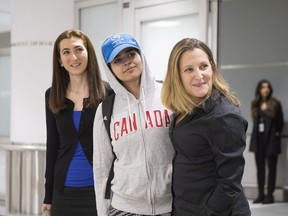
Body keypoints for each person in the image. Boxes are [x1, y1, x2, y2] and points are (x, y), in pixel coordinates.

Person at [161, 38, 251, 215]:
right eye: (189, 69)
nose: (199, 75)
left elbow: (229, 185)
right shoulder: (184, 109)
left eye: (203, 66)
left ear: (212, 68)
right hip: (187, 206)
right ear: (177, 75)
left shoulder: (224, 117)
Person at [93, 33, 175, 216]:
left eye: (131, 54)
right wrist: (101, 211)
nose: (127, 62)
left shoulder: (169, 95)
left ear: (141, 55)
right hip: (125, 208)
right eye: (118, 60)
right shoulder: (105, 110)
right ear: (110, 69)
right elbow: (101, 168)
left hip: (171, 205)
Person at [41, 29, 110, 216]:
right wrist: (48, 195)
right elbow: (53, 146)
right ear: (59, 60)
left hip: (99, 190)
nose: (74, 57)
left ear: (88, 53)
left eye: (79, 49)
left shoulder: (107, 93)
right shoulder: (52, 95)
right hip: (63, 192)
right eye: (66, 52)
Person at [249, 79, 284, 204]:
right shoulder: (256, 104)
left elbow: (280, 123)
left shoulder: (275, 103)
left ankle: (270, 195)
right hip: (259, 141)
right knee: (260, 169)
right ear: (259, 89)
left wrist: (276, 136)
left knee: (271, 169)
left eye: (267, 87)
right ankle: (261, 194)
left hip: (271, 141)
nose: (266, 89)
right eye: (263, 87)